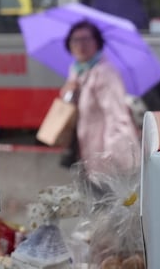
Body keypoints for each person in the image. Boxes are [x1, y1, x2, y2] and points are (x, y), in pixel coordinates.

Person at [60, 20, 140, 175]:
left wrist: (116, 155)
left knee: (107, 196)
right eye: (75, 40)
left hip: (105, 154)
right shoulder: (77, 70)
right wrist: (68, 92)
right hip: (87, 149)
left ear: (97, 42)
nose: (81, 45)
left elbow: (117, 116)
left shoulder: (105, 72)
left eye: (86, 39)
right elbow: (72, 105)